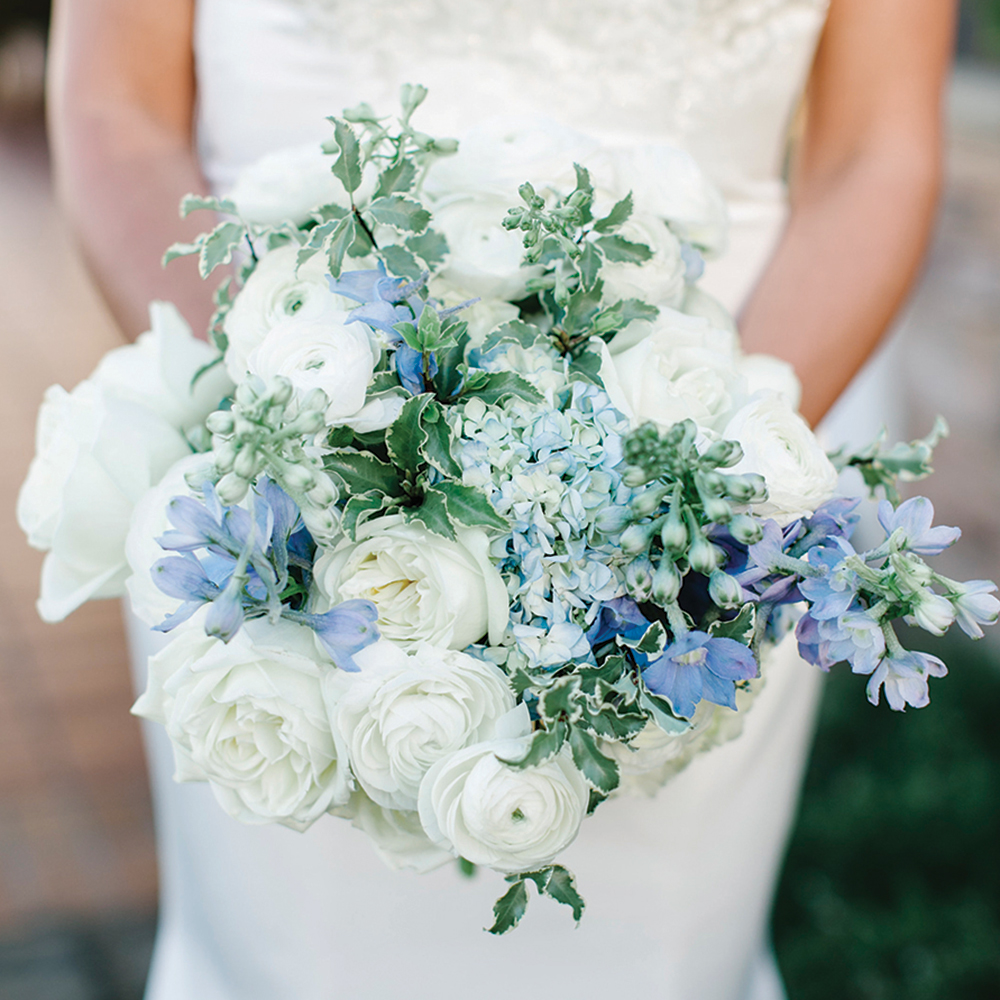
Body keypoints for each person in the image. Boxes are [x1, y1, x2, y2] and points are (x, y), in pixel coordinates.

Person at [46, 1, 956, 997]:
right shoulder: (274, 454)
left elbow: (872, 147)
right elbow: (115, 106)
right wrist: (291, 430)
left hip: (698, 470)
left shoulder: (700, 494)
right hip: (274, 474)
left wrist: (694, 487)